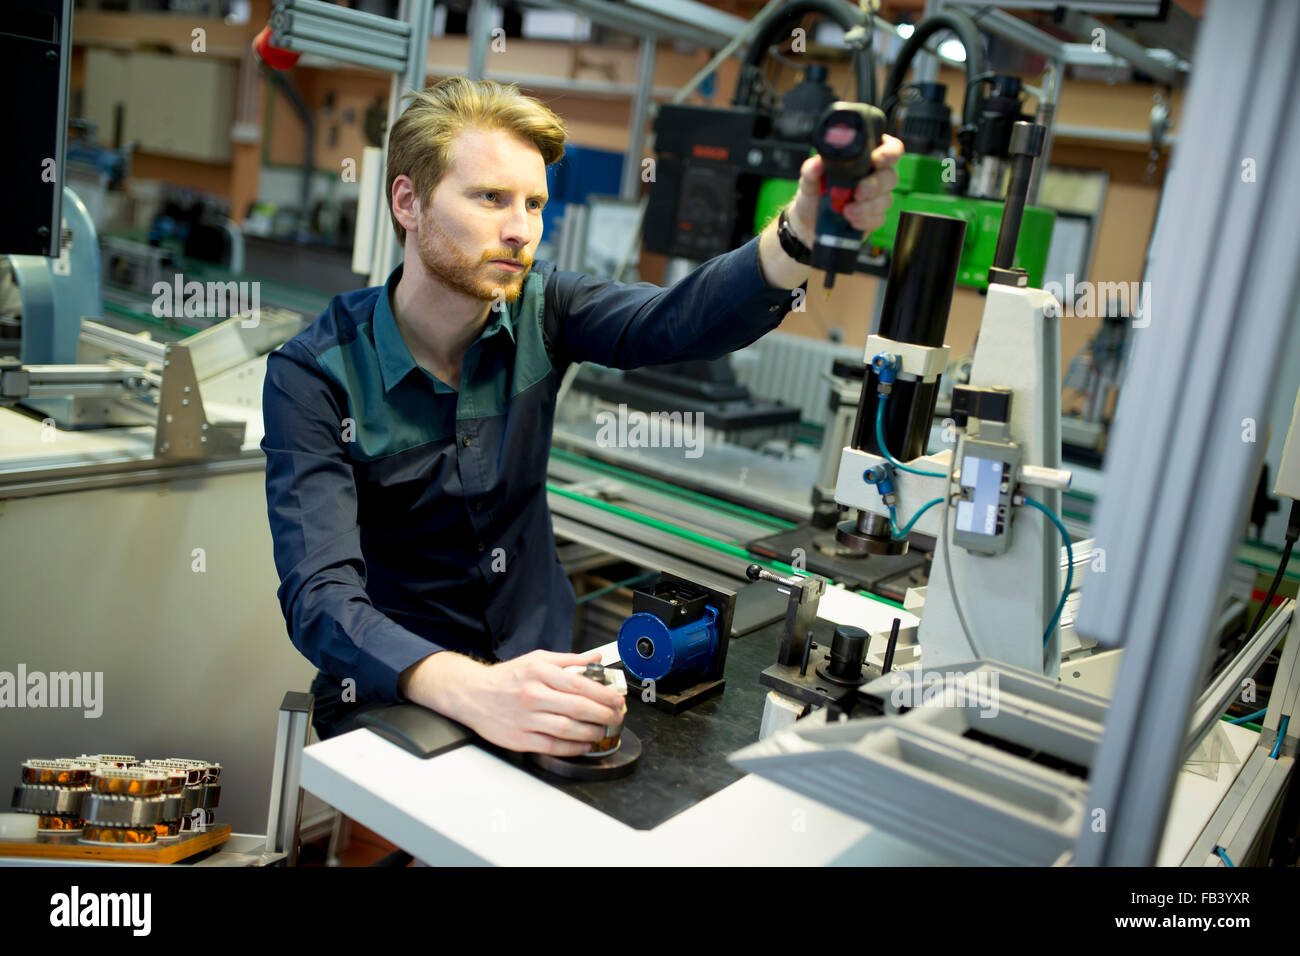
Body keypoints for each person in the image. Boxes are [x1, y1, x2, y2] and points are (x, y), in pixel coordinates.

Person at [262, 76, 903, 753]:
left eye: (534, 203)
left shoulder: (544, 310)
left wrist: (799, 233)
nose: (521, 230)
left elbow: (675, 320)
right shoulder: (316, 375)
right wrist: (475, 688)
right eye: (490, 198)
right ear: (407, 201)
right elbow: (320, 597)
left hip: (544, 668)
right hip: (399, 692)